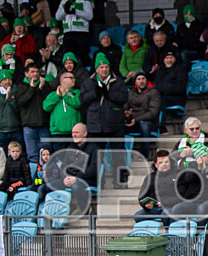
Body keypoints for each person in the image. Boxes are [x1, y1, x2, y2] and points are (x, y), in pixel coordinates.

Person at [79, 52, 128, 180]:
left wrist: (108, 93)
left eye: (106, 66)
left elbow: (124, 98)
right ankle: (96, 181)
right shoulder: (88, 82)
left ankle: (120, 180)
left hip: (114, 124)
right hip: (95, 125)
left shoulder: (118, 81)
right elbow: (82, 99)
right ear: (96, 69)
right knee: (95, 155)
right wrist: (95, 92)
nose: (104, 69)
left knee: (118, 153)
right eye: (101, 67)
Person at [40, 122, 96, 213]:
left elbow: (93, 169)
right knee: (47, 186)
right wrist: (65, 177)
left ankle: (84, 210)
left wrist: (76, 178)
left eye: (77, 132)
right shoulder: (70, 147)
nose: (74, 135)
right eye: (73, 132)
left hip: (86, 179)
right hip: (68, 178)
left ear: (85, 133)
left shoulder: (93, 148)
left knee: (76, 186)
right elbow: (63, 167)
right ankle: (53, 212)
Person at [14, 62, 51, 164]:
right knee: (32, 156)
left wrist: (40, 88)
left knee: (46, 155)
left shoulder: (44, 85)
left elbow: (49, 101)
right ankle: (34, 179)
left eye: (37, 71)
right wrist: (31, 88)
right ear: (26, 74)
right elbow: (21, 102)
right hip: (29, 127)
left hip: (44, 125)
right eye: (32, 72)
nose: (35, 74)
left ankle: (46, 179)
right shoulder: (21, 86)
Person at [125, 71, 161, 159]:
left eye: (143, 79)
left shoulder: (153, 92)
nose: (141, 81)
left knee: (144, 125)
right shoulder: (131, 93)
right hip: (133, 121)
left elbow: (152, 113)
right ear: (135, 82)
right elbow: (125, 105)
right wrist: (126, 112)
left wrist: (135, 118)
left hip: (149, 122)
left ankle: (144, 154)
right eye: (139, 79)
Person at [42, 70, 80, 151]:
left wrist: (65, 95)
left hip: (73, 133)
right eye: (71, 78)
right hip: (57, 133)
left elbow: (78, 103)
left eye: (74, 78)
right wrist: (57, 95)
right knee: (59, 159)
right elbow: (46, 107)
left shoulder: (76, 92)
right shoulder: (53, 94)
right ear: (63, 80)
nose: (74, 80)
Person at [134, 149, 168, 223]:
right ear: (156, 165)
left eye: (166, 162)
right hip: (154, 209)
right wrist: (145, 204)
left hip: (170, 208)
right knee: (138, 216)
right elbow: (142, 196)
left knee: (166, 215)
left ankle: (168, 234)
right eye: (161, 162)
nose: (164, 164)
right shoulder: (150, 177)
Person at [55, 0, 92, 67]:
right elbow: (58, 17)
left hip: (81, 33)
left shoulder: (85, 1)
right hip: (67, 33)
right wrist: (65, 11)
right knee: (69, 56)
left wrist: (76, 11)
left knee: (82, 57)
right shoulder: (64, 1)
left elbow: (90, 16)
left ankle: (82, 73)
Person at [0, 70, 23, 154]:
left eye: (9, 79)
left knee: (18, 155)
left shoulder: (17, 91)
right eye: (4, 80)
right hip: (0, 131)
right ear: (0, 82)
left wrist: (10, 99)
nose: (7, 81)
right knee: (1, 156)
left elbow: (19, 110)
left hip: (15, 129)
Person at [176, 5, 206, 70]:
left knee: (184, 54)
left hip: (196, 52)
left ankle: (187, 73)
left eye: (190, 14)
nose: (188, 16)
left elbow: (201, 42)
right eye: (186, 14)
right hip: (182, 50)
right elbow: (177, 39)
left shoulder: (200, 25)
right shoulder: (181, 26)